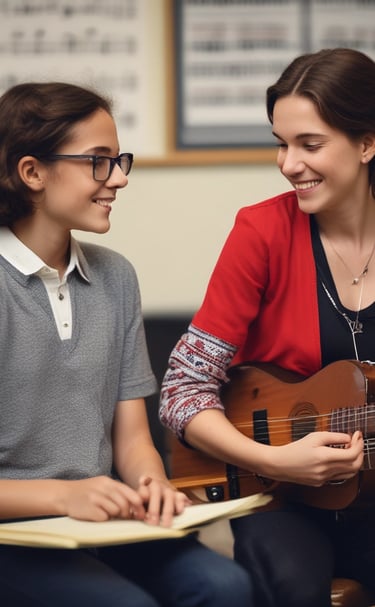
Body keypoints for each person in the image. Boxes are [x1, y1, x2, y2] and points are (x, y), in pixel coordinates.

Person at [0, 81, 253, 607]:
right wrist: (63, 494)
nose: (118, 178)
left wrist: (151, 483)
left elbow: (133, 436)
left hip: (102, 519)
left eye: (119, 161)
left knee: (225, 585)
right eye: (98, 161)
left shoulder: (115, 278)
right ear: (32, 172)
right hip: (15, 533)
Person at [160, 47, 375, 607]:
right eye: (282, 144)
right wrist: (272, 461)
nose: (288, 164)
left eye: (310, 144)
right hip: (280, 502)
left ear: (367, 143)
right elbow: (182, 391)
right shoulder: (259, 233)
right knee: (291, 587)